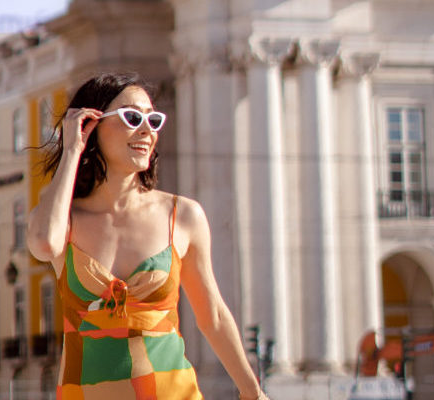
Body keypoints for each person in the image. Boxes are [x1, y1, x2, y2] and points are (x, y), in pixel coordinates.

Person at [28, 72, 268, 400]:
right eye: (132, 117)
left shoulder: (182, 216)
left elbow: (212, 316)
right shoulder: (61, 219)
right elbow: (44, 245)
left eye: (153, 120)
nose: (146, 130)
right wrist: (71, 150)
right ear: (89, 125)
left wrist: (253, 393)